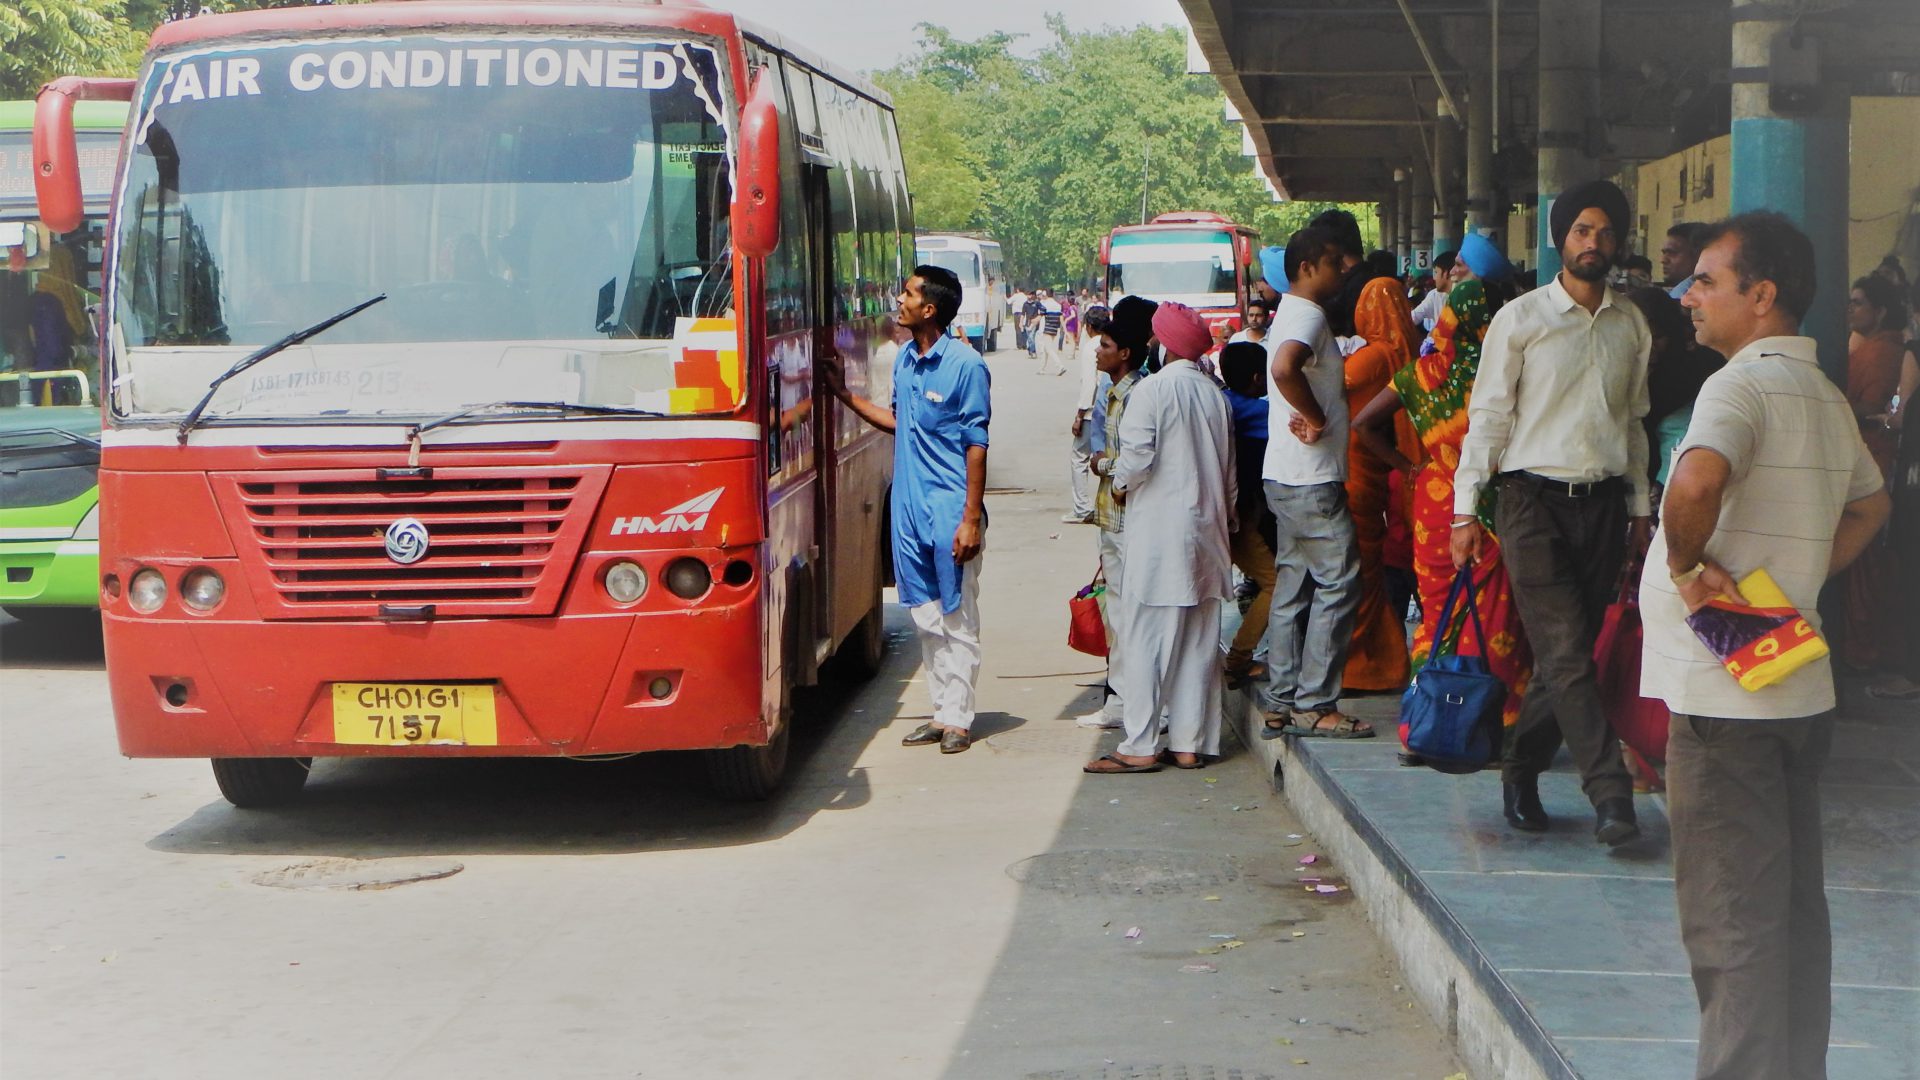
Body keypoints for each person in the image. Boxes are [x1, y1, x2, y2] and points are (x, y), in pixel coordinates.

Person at [1640, 211, 1891, 1080]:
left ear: (1763, 295)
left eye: (1707, 280)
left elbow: (1698, 479)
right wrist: (1798, 587)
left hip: (1725, 697)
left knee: (1732, 923)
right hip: (1789, 678)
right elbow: (1872, 505)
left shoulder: (1737, 387)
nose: (1689, 295)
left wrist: (1685, 567)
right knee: (1787, 914)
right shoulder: (1820, 393)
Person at [1452, 178, 1652, 845]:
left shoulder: (1630, 324)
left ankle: (1520, 766)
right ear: (1559, 240)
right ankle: (1610, 795)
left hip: (1601, 506)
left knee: (1570, 660)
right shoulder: (1523, 319)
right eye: (1581, 232)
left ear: (1617, 243)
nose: (1593, 243)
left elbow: (1634, 422)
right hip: (1529, 502)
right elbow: (1488, 418)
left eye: (1604, 233)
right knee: (1566, 653)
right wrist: (1462, 512)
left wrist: (1640, 507)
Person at [1355, 273, 1533, 747]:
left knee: (1438, 618)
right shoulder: (1502, 376)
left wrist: (1411, 466)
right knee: (1495, 620)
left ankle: (1423, 725)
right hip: (1490, 504)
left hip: (1434, 505)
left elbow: (1363, 424)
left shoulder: (1418, 374)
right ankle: (1491, 729)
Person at [823, 265, 989, 755]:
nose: (900, 299)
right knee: (924, 614)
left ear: (930, 309)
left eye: (910, 293)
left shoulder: (966, 365)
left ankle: (959, 717)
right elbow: (898, 421)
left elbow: (977, 443)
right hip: (909, 509)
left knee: (957, 615)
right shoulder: (905, 362)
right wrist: (843, 395)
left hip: (950, 509)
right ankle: (942, 713)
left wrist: (970, 518)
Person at [1084, 300, 1233, 773]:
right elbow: (1229, 477)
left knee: (1147, 638)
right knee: (1197, 643)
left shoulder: (1153, 391)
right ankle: (1189, 742)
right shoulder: (1214, 394)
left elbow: (1136, 460)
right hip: (1208, 534)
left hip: (1162, 537)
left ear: (1163, 344)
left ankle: (1140, 745)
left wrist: (1122, 484)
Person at [1259, 228, 1372, 739]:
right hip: (1311, 479)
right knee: (1339, 582)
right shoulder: (1308, 314)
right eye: (1332, 260)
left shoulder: (1286, 311)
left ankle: (1281, 701)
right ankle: (1315, 705)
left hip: (1283, 475)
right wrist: (1316, 416)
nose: (1342, 268)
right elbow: (1286, 368)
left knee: (1293, 587)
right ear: (1306, 267)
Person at [1078, 297, 1156, 730]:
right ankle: (1121, 701)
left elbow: (1134, 459)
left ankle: (1138, 705)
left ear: (1124, 352)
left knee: (1132, 618)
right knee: (1119, 616)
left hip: (1129, 520)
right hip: (1111, 517)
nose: (1097, 349)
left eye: (1104, 343)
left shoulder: (1138, 395)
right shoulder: (1111, 392)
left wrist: (1102, 465)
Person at [1339, 277, 1418, 692]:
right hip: (1369, 469)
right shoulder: (1406, 354)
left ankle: (1364, 667)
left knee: (1357, 574)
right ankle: (1383, 661)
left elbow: (1333, 383)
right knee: (1365, 570)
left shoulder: (1374, 356)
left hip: (1354, 466)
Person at [1841, 273, 1909, 679]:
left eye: (1859, 302)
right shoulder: (1872, 347)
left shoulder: (1883, 351)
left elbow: (1874, 406)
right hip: (1871, 454)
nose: (1851, 308)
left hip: (1874, 457)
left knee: (1864, 557)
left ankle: (1861, 644)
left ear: (1880, 311)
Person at [1219, 340, 1276, 689]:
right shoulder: (1256, 411)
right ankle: (1238, 658)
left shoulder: (1221, 400)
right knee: (1277, 584)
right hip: (1242, 515)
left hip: (1223, 511)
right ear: (1257, 378)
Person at [1629, 286, 1725, 489]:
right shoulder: (1616, 376)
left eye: (1658, 337)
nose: (1649, 346)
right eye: (1639, 337)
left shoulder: (1696, 377)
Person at [1065, 304, 1111, 525]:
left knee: (1079, 458)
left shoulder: (1092, 347)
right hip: (1108, 409)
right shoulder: (1111, 343)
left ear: (1089, 326)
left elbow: (1089, 384)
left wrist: (1079, 414)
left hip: (1092, 412)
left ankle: (1082, 508)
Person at [1409, 251, 1458, 331]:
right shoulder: (1434, 296)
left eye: (1436, 272)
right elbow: (1413, 318)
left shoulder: (1464, 296)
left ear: (1446, 273)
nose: (1434, 278)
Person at [1662, 221, 1705, 298]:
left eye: (1672, 253)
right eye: (1664, 252)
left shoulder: (1683, 296)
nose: (1663, 260)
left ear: (1698, 255)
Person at [1035, 290, 1067, 376]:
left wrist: (1032, 323)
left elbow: (1040, 316)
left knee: (1048, 349)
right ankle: (1042, 368)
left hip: (1046, 328)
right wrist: (1065, 330)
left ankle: (1060, 366)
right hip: (1054, 329)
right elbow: (1061, 319)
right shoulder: (1058, 305)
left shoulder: (1044, 305)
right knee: (1046, 349)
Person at [1022, 290, 1044, 358]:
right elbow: (1023, 314)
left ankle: (1033, 352)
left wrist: (1038, 317)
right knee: (1029, 338)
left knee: (1031, 337)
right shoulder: (1025, 304)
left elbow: (1043, 310)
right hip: (1027, 323)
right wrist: (1020, 322)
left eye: (1030, 295)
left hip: (1034, 322)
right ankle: (1030, 350)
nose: (1029, 296)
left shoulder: (1037, 303)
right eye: (1028, 295)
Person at [1009, 286, 1029, 352]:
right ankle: (1024, 345)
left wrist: (1005, 297)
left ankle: (1019, 345)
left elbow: (1008, 302)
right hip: (1024, 314)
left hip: (1017, 314)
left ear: (1018, 290)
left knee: (1018, 329)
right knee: (1024, 329)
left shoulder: (1015, 296)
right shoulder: (1026, 297)